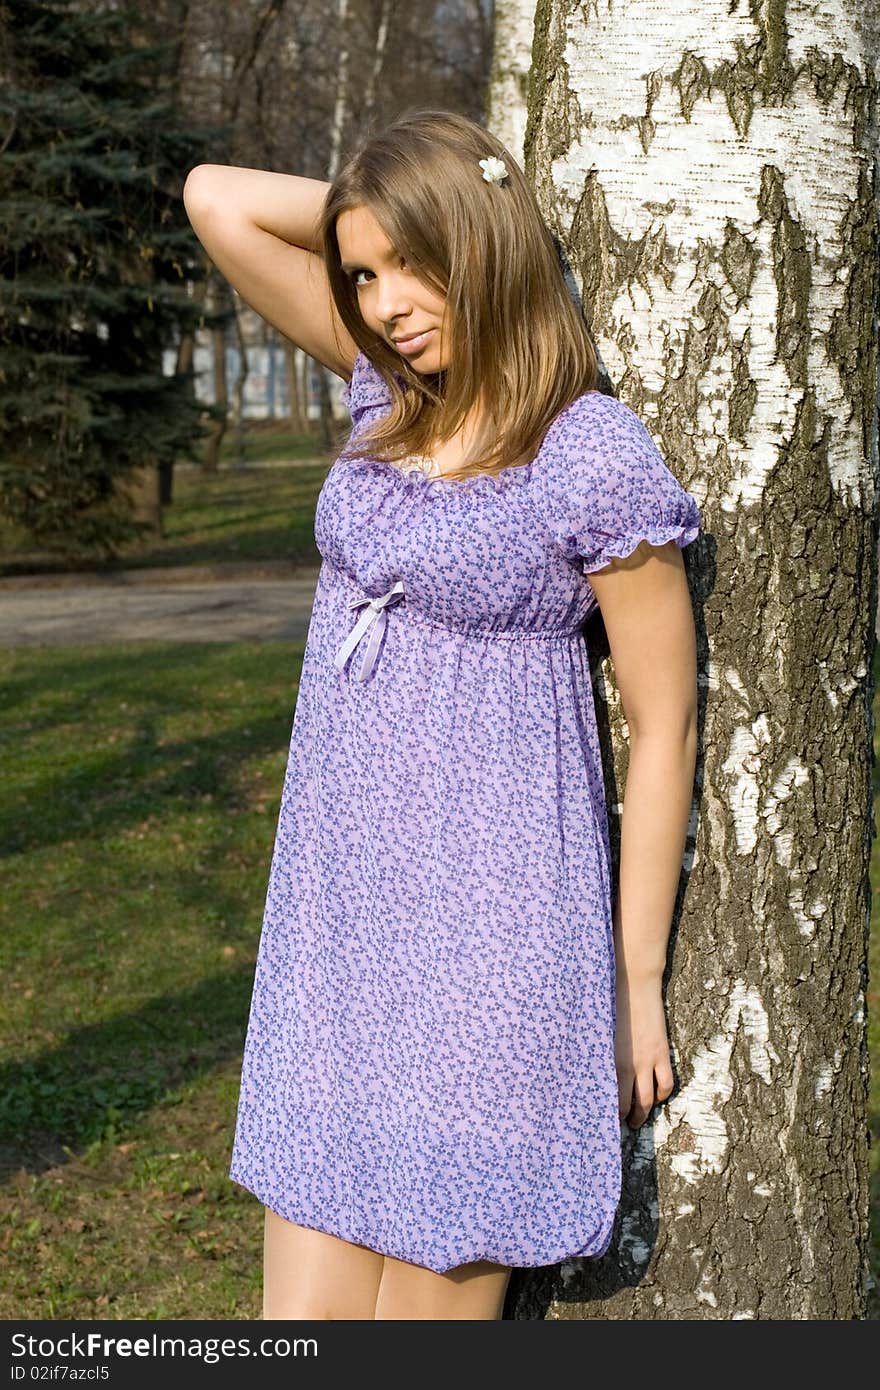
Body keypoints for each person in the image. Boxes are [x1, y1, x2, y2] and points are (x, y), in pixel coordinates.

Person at [183, 107, 701, 1322]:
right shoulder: (384, 397)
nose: (384, 300)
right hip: (340, 935)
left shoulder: (590, 452)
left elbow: (664, 723)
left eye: (415, 263)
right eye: (362, 273)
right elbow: (215, 197)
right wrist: (380, 195)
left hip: (491, 954)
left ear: (482, 242)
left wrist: (633, 980)